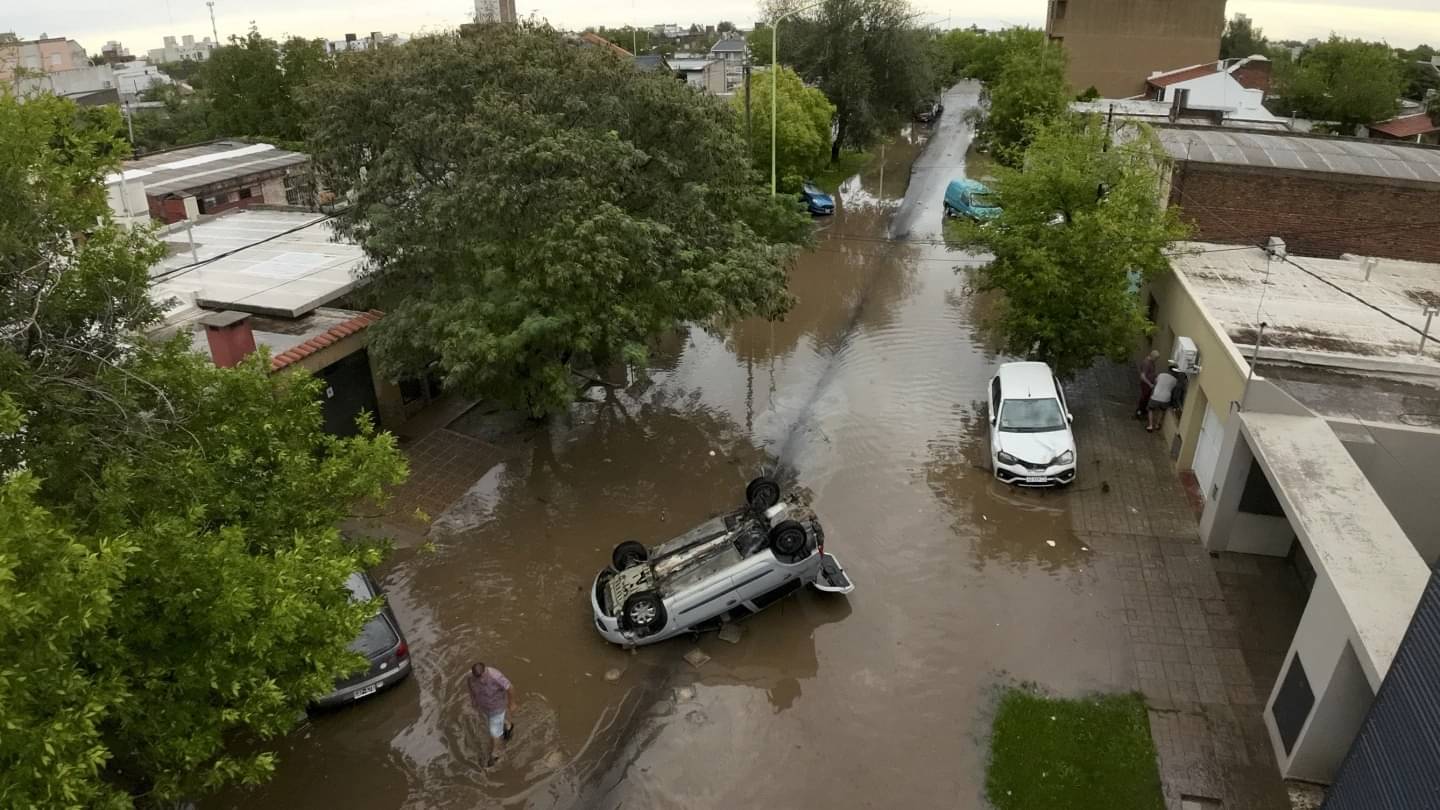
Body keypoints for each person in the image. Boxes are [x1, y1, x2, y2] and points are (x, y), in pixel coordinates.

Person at [468, 662, 516, 767]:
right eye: (478, 678)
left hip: (497, 707)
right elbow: (469, 683)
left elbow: (510, 687)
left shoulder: (496, 676)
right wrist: (473, 699)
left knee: (494, 733)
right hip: (485, 707)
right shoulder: (471, 676)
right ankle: (508, 726)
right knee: (496, 725)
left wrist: (512, 703)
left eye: (482, 677)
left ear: (485, 671)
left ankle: (495, 754)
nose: (480, 680)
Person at [1147, 365, 1181, 433]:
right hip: (1166, 398)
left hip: (1156, 396)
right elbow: (1174, 390)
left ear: (1168, 370)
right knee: (1162, 410)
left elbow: (1155, 382)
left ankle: (1150, 426)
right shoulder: (1175, 380)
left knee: (1150, 409)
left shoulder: (1161, 375)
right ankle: (1157, 425)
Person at [1136, 350, 1159, 419]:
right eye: (1156, 358)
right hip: (1146, 384)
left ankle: (1143, 410)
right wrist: (1149, 384)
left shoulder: (1152, 362)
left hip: (1150, 384)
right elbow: (1142, 376)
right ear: (1152, 356)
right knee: (1143, 398)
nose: (1156, 360)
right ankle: (1139, 412)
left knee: (1146, 398)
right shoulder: (1146, 363)